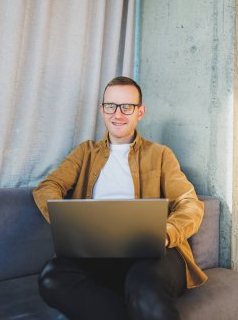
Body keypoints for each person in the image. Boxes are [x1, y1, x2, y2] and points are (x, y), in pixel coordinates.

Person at [33, 76, 207, 320]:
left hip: (155, 252)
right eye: (111, 106)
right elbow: (48, 187)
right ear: (102, 110)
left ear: (140, 112)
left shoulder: (160, 154)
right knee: (52, 278)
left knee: (144, 286)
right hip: (96, 251)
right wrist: (70, 225)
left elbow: (190, 204)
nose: (118, 114)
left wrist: (165, 233)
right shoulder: (85, 152)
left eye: (127, 107)